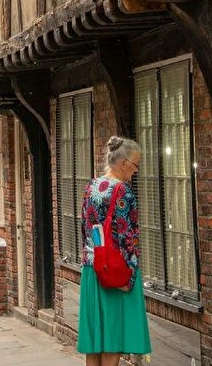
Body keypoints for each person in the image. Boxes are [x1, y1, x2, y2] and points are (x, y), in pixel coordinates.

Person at [78, 136, 151, 364]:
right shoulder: (124, 193)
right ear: (123, 163)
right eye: (136, 164)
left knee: (95, 342)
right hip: (116, 271)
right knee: (113, 339)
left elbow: (84, 227)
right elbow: (129, 239)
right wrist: (128, 277)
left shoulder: (91, 186)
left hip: (92, 268)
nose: (136, 170)